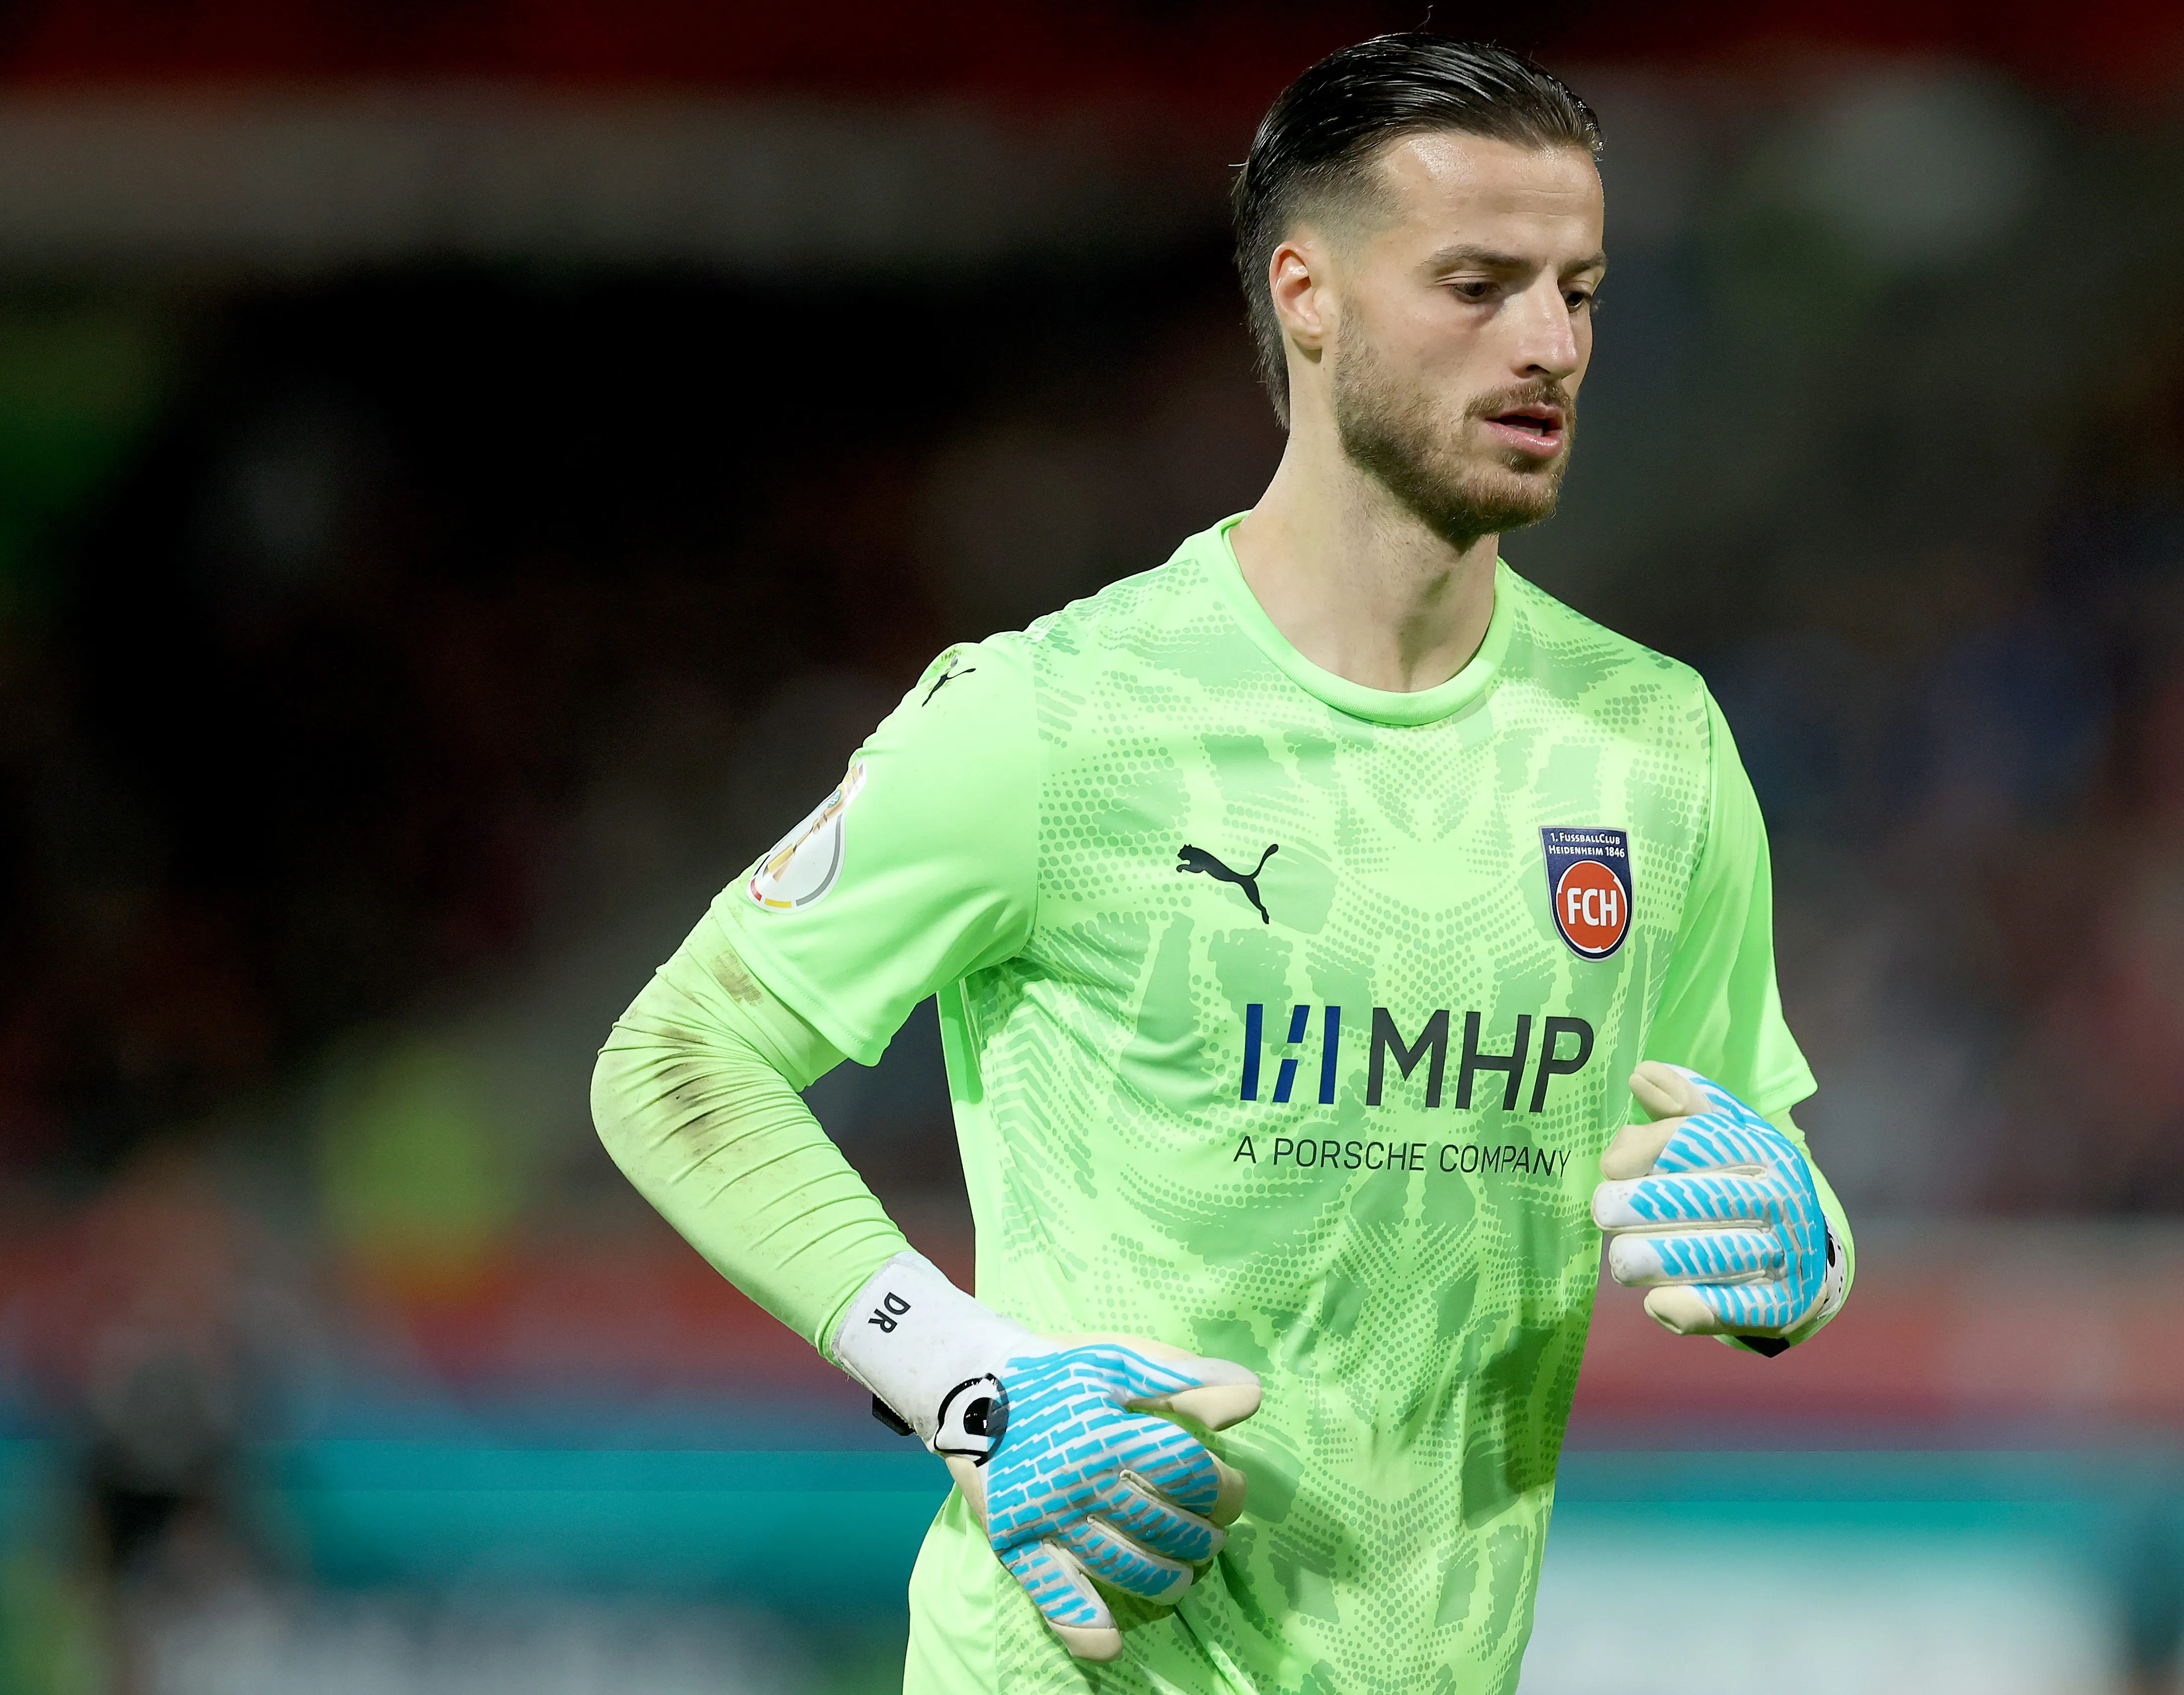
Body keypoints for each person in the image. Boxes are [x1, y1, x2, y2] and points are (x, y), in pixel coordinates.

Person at [592, 33, 1852, 1693]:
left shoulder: (1652, 745)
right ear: (1307, 295)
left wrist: (1802, 1257)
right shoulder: (1059, 721)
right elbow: (674, 1056)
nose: (1551, 344)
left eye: (1582, 290)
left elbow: (1728, 1158)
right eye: (1478, 283)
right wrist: (970, 1379)